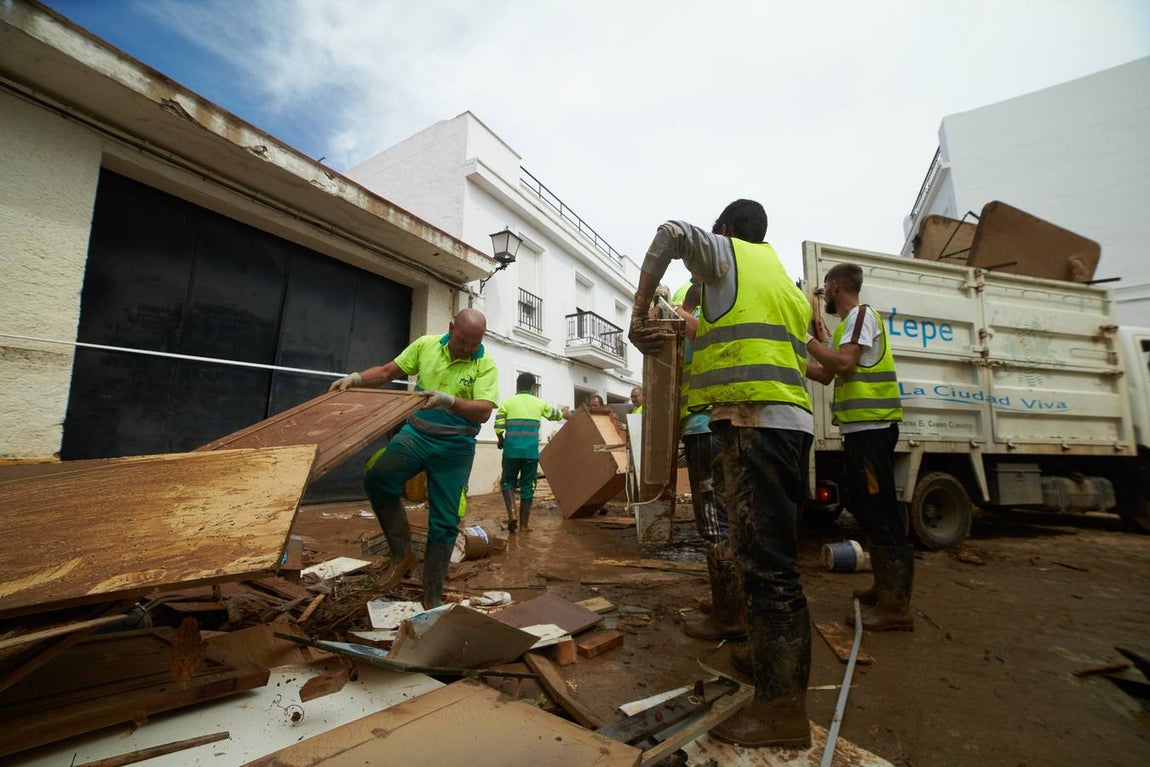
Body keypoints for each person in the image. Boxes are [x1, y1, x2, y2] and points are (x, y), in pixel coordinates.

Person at [629, 199, 814, 749]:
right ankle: (767, 663)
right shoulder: (784, 284)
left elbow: (669, 231)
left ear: (727, 232)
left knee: (767, 567)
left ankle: (782, 711)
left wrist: (642, 307)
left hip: (759, 420)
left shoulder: (730, 256)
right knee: (764, 556)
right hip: (773, 421)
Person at [329, 308, 498, 609]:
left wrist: (450, 401)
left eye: (475, 343)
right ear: (451, 328)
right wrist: (355, 379)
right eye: (463, 341)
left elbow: (484, 409)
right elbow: (386, 372)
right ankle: (402, 555)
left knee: (445, 520)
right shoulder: (426, 345)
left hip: (456, 445)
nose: (468, 348)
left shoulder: (485, 364)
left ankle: (431, 593)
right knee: (378, 479)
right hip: (416, 434)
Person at [805, 263, 912, 631]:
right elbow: (824, 373)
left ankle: (896, 607)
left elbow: (845, 365)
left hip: (872, 430)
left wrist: (808, 343)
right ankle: (884, 589)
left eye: (825, 288)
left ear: (835, 286)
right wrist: (794, 356)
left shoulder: (861, 317)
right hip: (859, 432)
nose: (825, 294)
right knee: (867, 508)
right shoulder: (847, 327)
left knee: (881, 512)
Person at [673, 282, 745, 642]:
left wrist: (671, 308)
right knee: (727, 513)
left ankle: (728, 616)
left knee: (715, 521)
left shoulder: (697, 323)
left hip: (704, 426)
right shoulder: (725, 319)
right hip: (718, 423)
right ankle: (727, 601)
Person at [494, 372, 564, 532]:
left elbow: (498, 424)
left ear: (517, 386)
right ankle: (524, 525)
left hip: (511, 452)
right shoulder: (539, 403)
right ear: (533, 387)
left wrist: (500, 439)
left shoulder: (507, 403)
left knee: (507, 482)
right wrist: (565, 413)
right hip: (530, 454)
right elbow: (555, 415)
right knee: (528, 486)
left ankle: (512, 515)